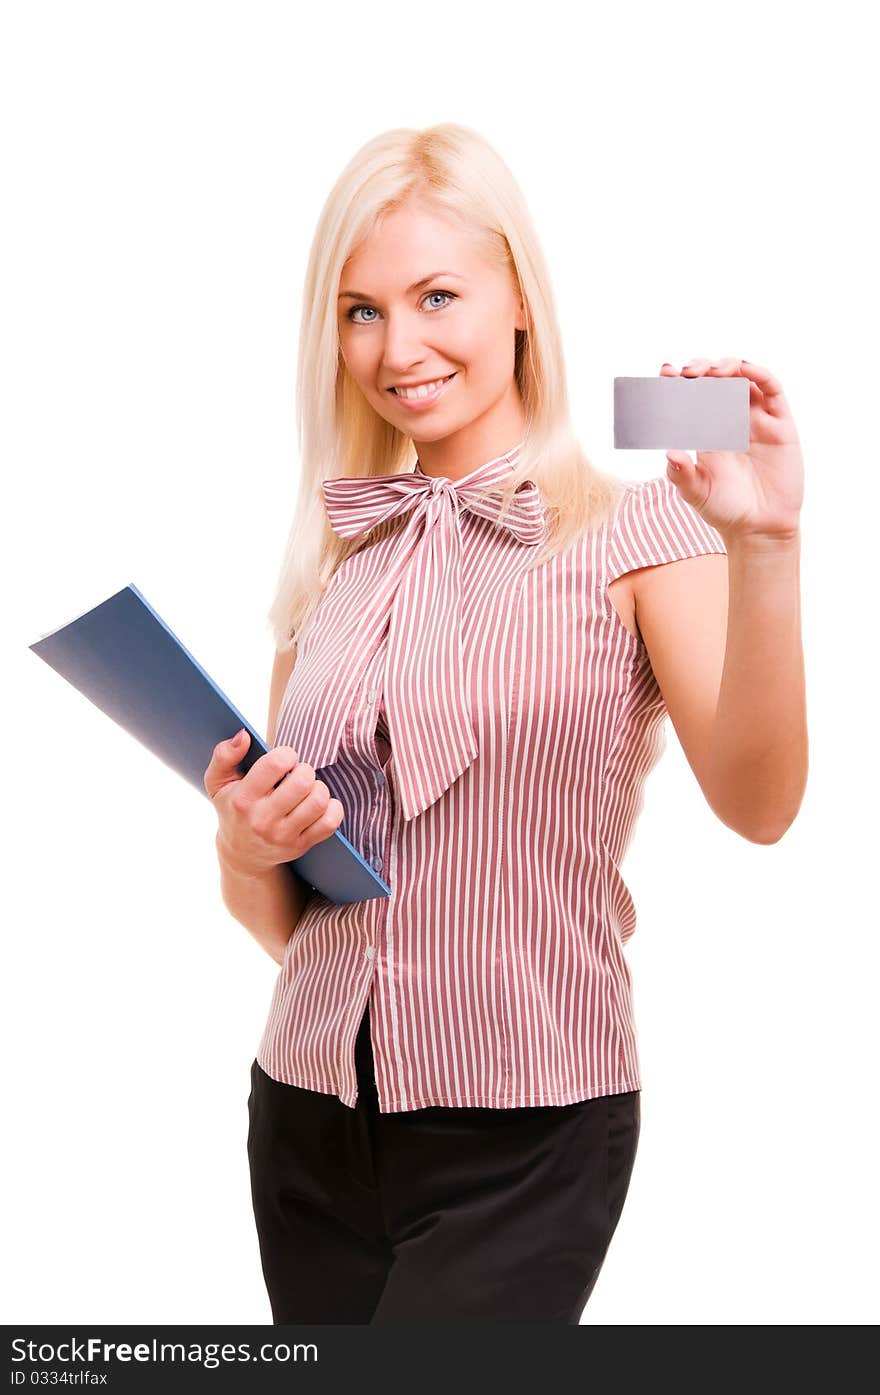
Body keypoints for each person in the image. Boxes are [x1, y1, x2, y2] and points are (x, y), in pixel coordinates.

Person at [203, 122, 808, 1324]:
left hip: (527, 1126)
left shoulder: (637, 532)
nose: (398, 346)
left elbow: (760, 805)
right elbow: (293, 921)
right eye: (361, 309)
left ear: (521, 300)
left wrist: (766, 548)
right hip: (308, 1109)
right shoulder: (335, 557)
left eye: (437, 296)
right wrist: (244, 843)